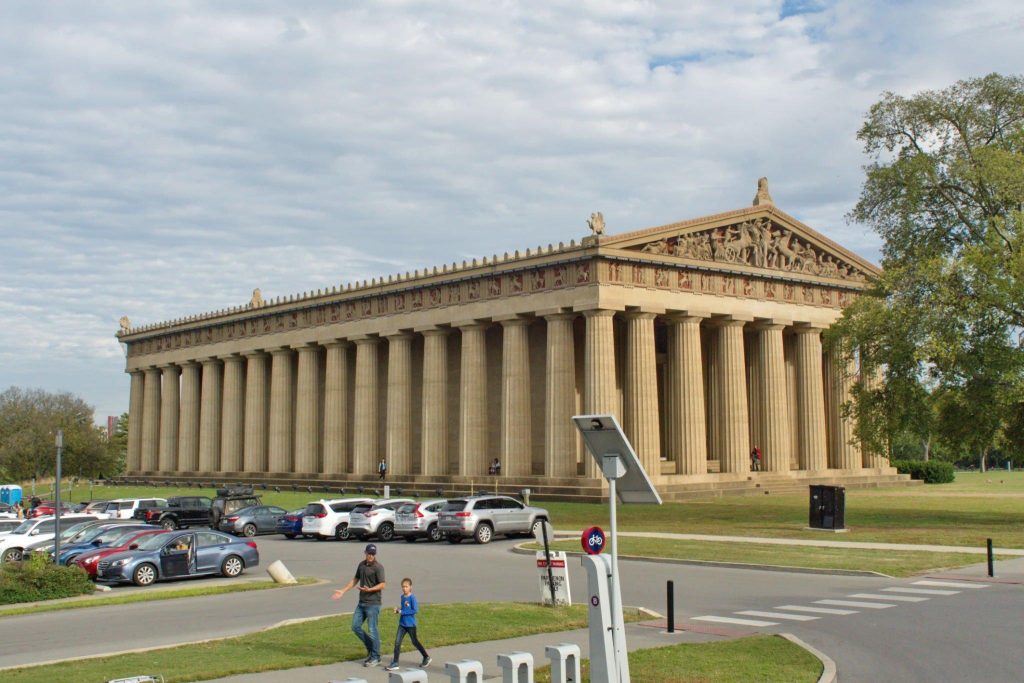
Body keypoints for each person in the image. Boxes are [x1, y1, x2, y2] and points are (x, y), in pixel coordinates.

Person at [332, 543, 386, 667]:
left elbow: (383, 584)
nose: (371, 556)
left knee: (373, 630)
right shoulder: (361, 565)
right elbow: (355, 580)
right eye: (369, 553)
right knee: (355, 626)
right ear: (365, 553)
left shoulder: (378, 567)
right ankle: (371, 648)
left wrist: (370, 589)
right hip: (362, 603)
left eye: (373, 554)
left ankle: (376, 657)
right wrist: (343, 591)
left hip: (373, 604)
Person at [384, 578, 431, 671]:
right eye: (403, 587)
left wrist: (401, 611)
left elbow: (414, 610)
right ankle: (395, 663)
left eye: (406, 586)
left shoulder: (412, 597)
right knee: (397, 643)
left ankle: (426, 657)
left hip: (410, 625)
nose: (404, 588)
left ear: (410, 587)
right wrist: (398, 610)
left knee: (415, 642)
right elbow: (404, 609)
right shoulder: (402, 597)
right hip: (402, 624)